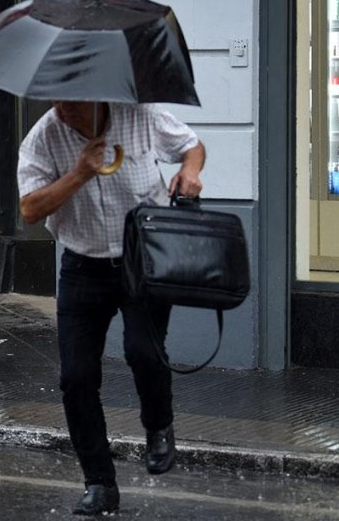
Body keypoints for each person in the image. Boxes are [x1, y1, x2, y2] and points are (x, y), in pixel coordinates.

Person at [17, 101, 205, 516]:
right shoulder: (43, 137)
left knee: (144, 351)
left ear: (96, 93)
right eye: (56, 99)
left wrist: (190, 171)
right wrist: (79, 173)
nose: (61, 108)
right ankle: (99, 481)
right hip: (83, 266)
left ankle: (158, 425)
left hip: (143, 261)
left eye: (71, 99)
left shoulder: (140, 116)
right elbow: (29, 209)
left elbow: (193, 146)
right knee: (76, 377)